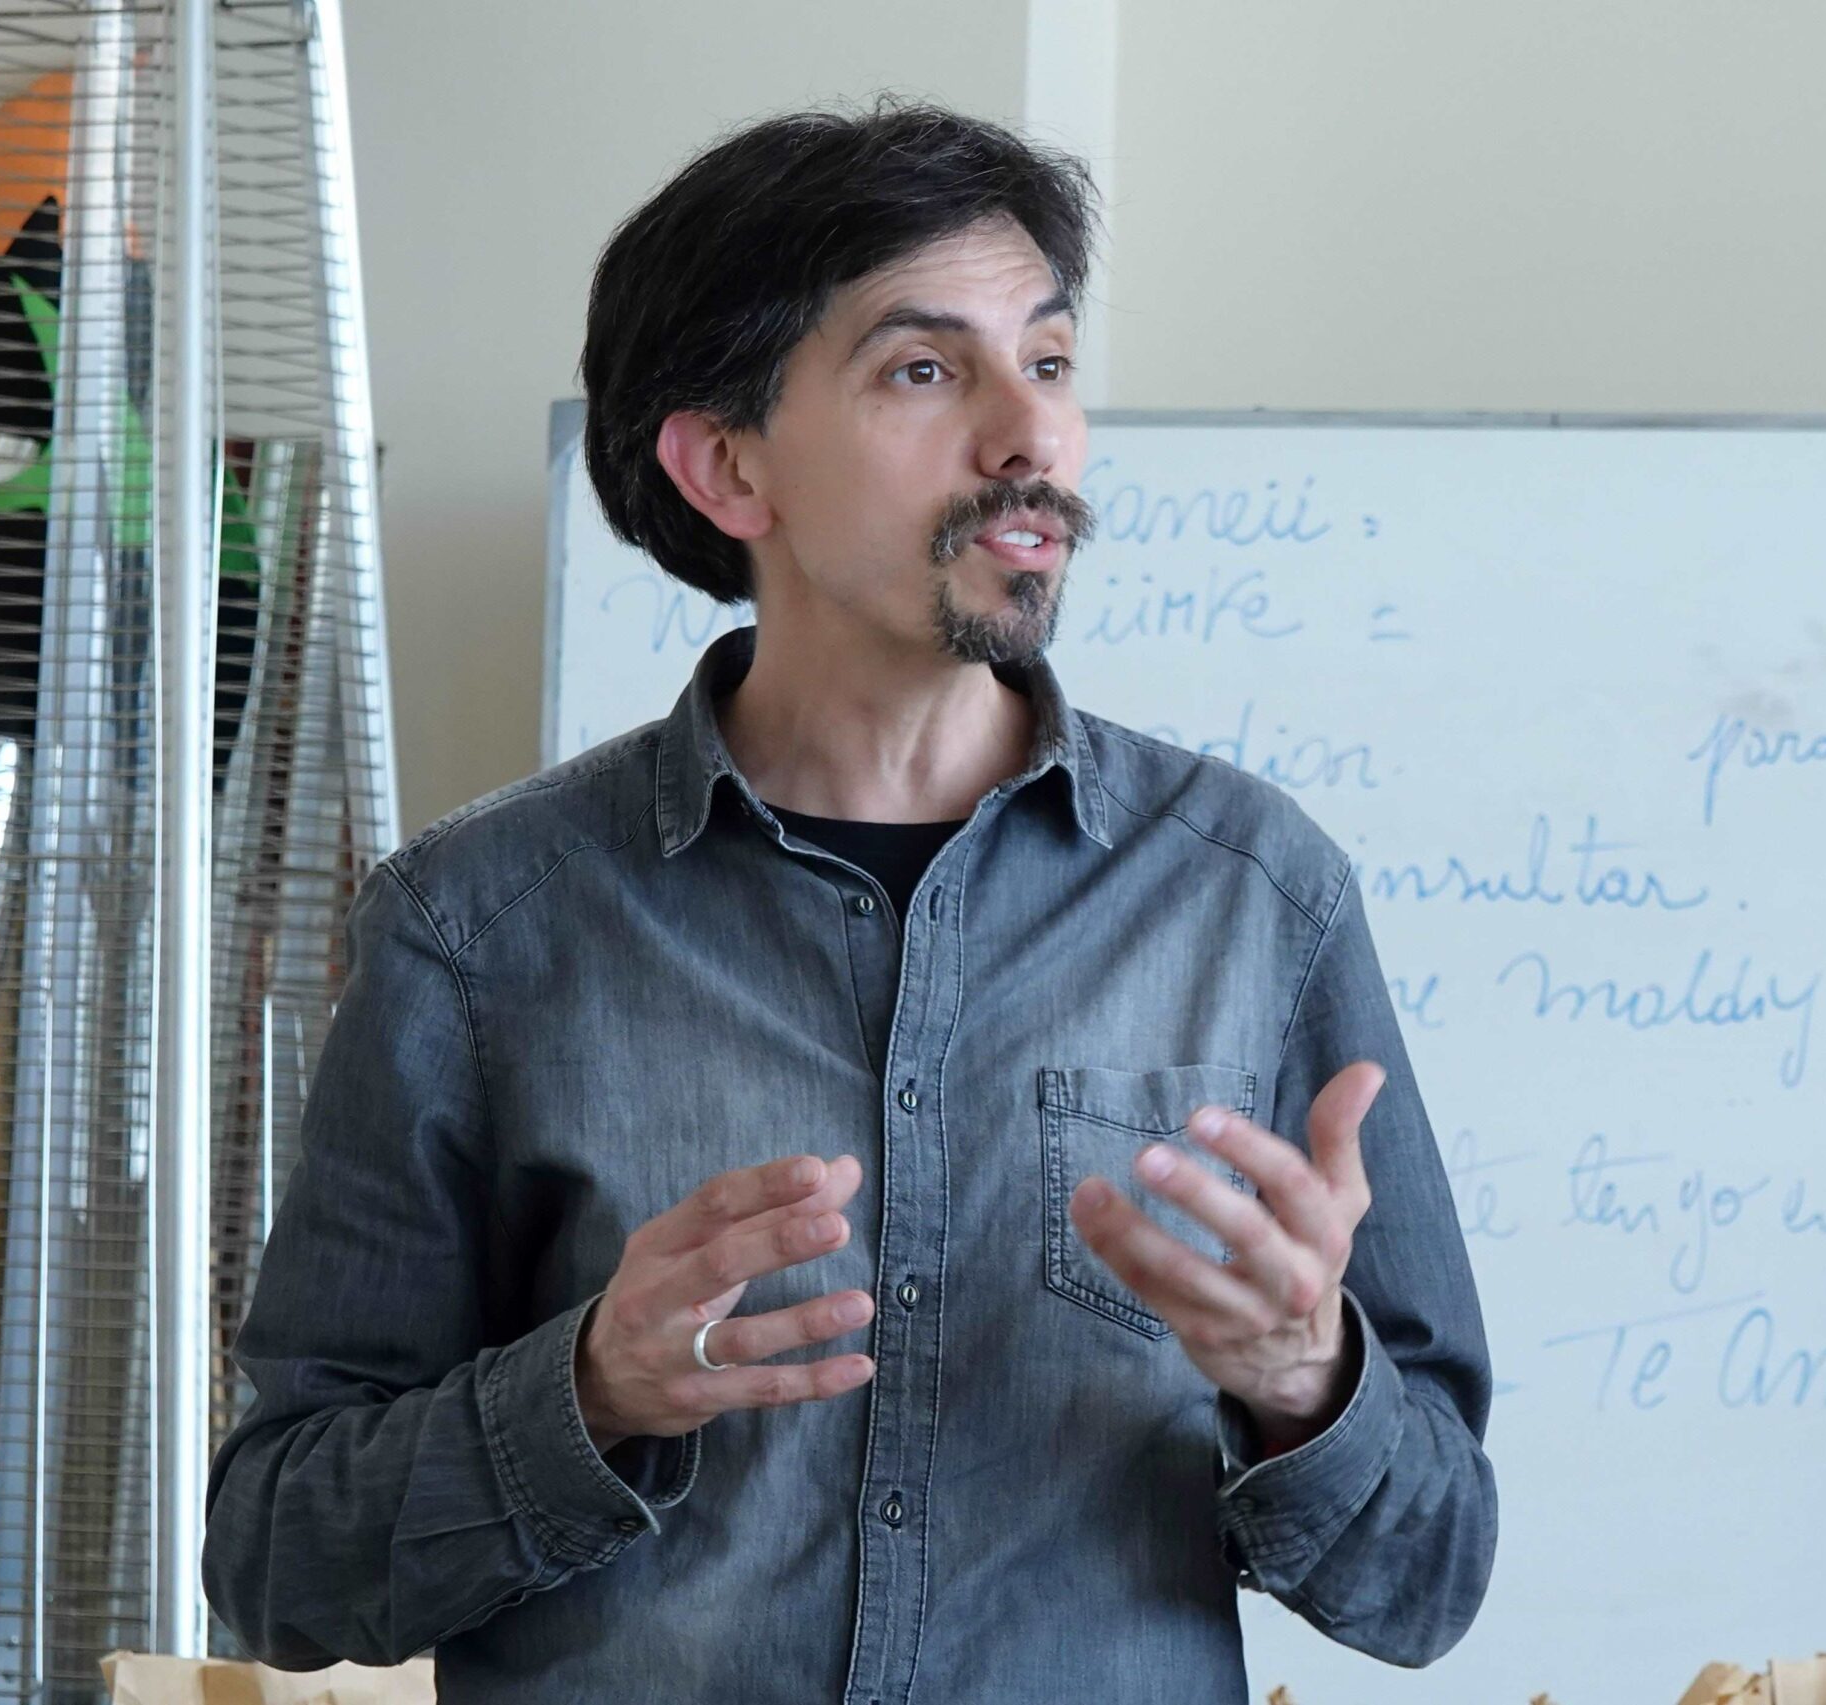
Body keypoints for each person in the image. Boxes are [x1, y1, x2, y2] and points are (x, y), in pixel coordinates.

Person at [202, 100, 1496, 1703]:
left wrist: (1306, 1381)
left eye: (1050, 360)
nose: (1027, 437)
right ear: (726, 464)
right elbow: (279, 1565)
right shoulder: (478, 928)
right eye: (925, 370)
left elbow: (1433, 1579)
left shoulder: (1252, 896)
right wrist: (584, 1393)